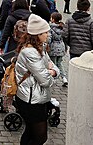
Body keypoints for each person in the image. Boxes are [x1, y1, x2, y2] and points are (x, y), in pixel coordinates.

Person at [14, 14, 59, 145]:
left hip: (34, 97)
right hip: (31, 100)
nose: (48, 34)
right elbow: (45, 81)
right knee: (40, 137)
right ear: (37, 34)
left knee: (30, 132)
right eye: (45, 32)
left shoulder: (40, 47)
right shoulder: (31, 52)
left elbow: (51, 65)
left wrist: (52, 71)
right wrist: (52, 73)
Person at [48, 12, 68, 86]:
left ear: (53, 19)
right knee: (59, 63)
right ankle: (64, 78)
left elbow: (49, 39)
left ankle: (54, 79)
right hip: (61, 47)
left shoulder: (50, 28)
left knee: (53, 64)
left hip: (53, 48)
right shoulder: (63, 27)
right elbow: (65, 38)